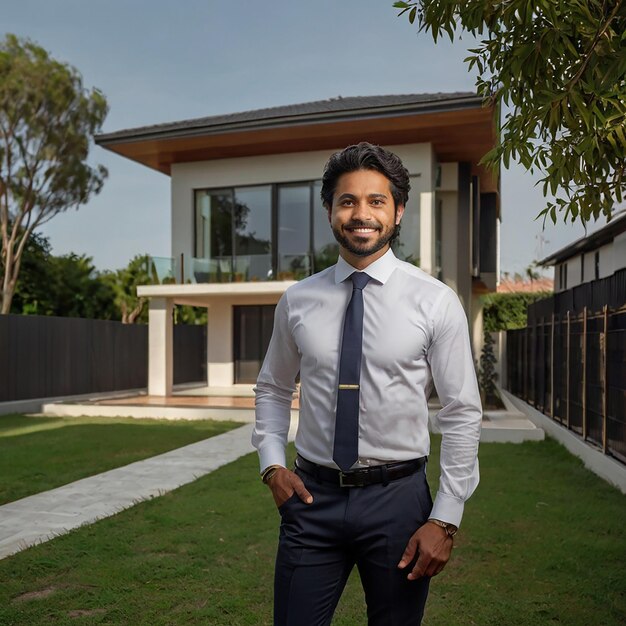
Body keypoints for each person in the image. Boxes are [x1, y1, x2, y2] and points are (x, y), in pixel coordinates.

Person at [252, 142, 481, 626]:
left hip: (398, 504)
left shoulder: (435, 302)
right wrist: (273, 466)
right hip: (311, 500)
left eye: (376, 201)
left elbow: (461, 411)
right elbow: (272, 387)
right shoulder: (297, 301)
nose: (361, 214)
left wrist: (445, 517)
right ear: (330, 211)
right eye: (347, 201)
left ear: (398, 212)